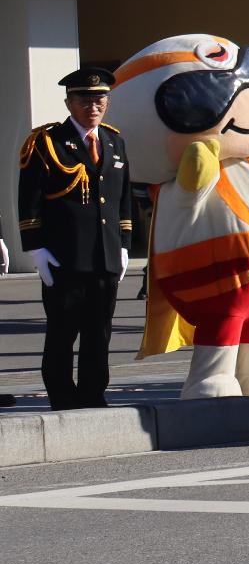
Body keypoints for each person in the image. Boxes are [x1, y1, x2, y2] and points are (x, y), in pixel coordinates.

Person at [16, 66, 133, 409]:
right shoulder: (46, 143)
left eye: (100, 100)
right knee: (63, 333)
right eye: (85, 99)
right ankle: (63, 398)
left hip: (105, 258)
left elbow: (121, 198)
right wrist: (35, 248)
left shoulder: (114, 140)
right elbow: (30, 197)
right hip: (64, 258)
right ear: (69, 102)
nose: (93, 107)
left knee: (99, 334)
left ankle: (93, 394)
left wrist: (124, 245)